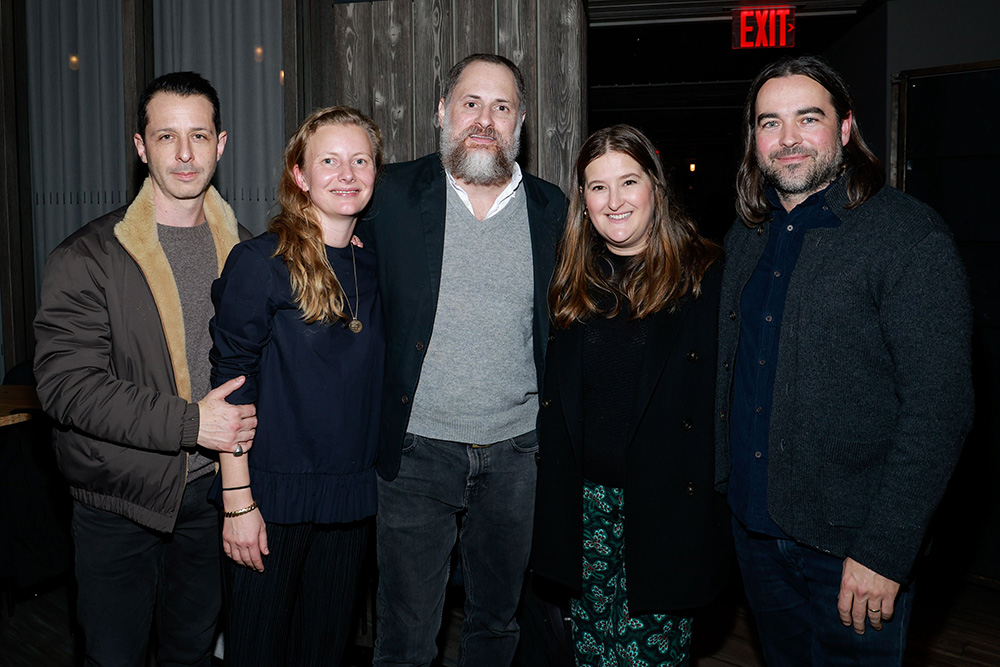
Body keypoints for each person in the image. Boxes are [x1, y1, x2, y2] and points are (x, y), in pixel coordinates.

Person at [716, 54, 974, 665]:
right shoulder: (745, 237)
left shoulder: (908, 237)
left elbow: (940, 410)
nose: (788, 140)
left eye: (808, 118)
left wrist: (886, 549)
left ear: (846, 128)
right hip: (756, 530)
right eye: (769, 123)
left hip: (853, 551)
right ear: (753, 140)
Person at [33, 71, 255, 666]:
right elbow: (65, 387)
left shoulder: (251, 253)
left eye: (199, 136)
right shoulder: (87, 257)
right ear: (141, 147)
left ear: (221, 143)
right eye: (166, 137)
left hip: (213, 501)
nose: (185, 154)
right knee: (113, 657)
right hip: (117, 503)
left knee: (190, 653)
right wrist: (191, 424)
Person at [362, 53, 567, 665]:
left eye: (501, 107)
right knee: (404, 634)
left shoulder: (553, 210)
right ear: (440, 113)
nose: (485, 120)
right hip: (416, 453)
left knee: (497, 626)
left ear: (521, 123)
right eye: (470, 104)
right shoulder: (391, 194)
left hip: (516, 456)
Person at [530, 124, 731, 666]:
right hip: (584, 507)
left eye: (628, 182)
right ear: (583, 201)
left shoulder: (706, 276)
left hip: (664, 510)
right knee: (591, 654)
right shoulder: (570, 278)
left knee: (651, 658)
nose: (614, 201)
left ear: (655, 190)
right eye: (597, 187)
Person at [208, 106, 384, 666]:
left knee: (325, 653)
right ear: (300, 175)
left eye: (361, 160)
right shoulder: (260, 261)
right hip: (270, 498)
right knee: (257, 652)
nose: (347, 173)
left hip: (352, 494)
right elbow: (232, 385)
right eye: (328, 161)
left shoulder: (379, 260)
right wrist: (238, 504)